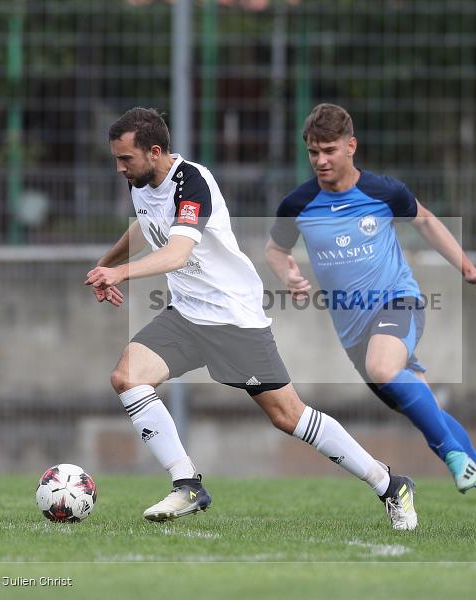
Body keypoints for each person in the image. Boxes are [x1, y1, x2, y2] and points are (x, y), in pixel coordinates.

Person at [86, 107, 418, 530]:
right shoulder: (141, 183)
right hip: (187, 314)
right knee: (127, 377)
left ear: (154, 151)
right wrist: (105, 263)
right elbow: (145, 228)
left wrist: (120, 272)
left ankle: (390, 484)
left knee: (288, 416)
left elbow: (177, 252)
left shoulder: (193, 182)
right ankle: (187, 483)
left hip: (231, 317)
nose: (119, 168)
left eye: (125, 159)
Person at [264, 103, 476, 523]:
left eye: (329, 150)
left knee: (384, 368)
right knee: (425, 409)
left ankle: (457, 458)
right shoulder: (299, 203)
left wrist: (467, 268)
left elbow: (426, 221)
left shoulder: (384, 191)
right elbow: (275, 249)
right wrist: (288, 274)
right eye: (313, 152)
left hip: (399, 303)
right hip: (353, 334)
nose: (321, 161)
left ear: (351, 146)